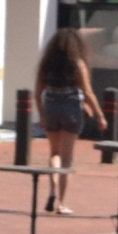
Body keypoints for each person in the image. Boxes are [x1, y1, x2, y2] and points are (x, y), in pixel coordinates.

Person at [33, 27, 105, 215]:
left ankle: (52, 191)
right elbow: (87, 92)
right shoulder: (77, 63)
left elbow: (38, 92)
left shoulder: (46, 64)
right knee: (67, 159)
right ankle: (61, 203)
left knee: (54, 153)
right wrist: (100, 115)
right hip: (72, 109)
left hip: (51, 107)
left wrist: (41, 114)